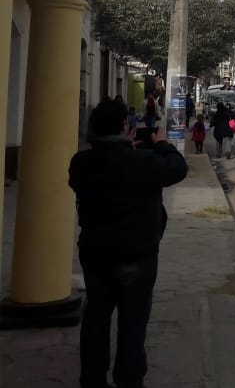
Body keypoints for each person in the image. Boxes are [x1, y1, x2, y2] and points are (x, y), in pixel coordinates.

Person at [69, 97, 188, 388]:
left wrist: (124, 151)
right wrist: (160, 143)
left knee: (96, 317)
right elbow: (177, 167)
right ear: (126, 127)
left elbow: (99, 173)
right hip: (137, 255)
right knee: (133, 323)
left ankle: (92, 379)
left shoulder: (81, 162)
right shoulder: (144, 162)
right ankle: (129, 379)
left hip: (95, 252)